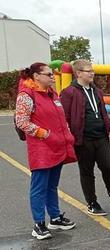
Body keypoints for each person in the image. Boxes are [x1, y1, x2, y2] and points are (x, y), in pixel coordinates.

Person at [14, 62, 77, 240]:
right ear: (36, 77)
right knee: (39, 187)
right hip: (41, 148)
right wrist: (45, 134)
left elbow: (60, 118)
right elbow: (22, 122)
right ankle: (39, 223)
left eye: (52, 74)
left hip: (57, 146)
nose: (52, 77)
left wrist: (67, 135)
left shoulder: (52, 94)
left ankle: (55, 218)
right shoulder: (26, 95)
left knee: (52, 185)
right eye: (48, 74)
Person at [60, 59, 110, 216]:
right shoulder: (69, 93)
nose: (92, 73)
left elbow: (103, 113)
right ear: (78, 73)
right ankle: (92, 202)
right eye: (89, 71)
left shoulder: (97, 91)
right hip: (83, 140)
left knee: (109, 167)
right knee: (87, 172)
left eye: (92, 70)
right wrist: (69, 137)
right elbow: (64, 117)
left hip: (101, 137)